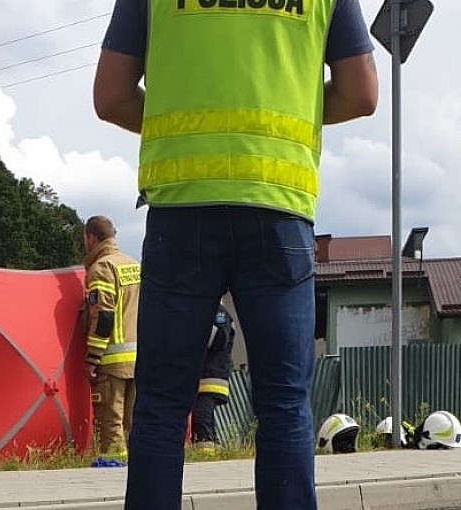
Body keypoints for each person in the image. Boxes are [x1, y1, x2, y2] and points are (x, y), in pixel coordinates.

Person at [93, 0, 378, 508]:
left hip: (181, 209)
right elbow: (361, 93)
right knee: (285, 404)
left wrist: (180, 128)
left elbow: (111, 97)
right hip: (278, 205)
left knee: (160, 406)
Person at [82, 216, 140, 459]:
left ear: (92, 238)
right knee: (133, 425)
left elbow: (104, 317)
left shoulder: (102, 269)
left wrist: (92, 358)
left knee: (111, 427)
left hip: (112, 361)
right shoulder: (134, 265)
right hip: (139, 360)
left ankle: (113, 475)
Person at [191, 303, 235, 449]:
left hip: (211, 376)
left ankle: (205, 451)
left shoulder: (219, 312)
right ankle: (212, 448)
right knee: (205, 418)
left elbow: (219, 337)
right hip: (205, 376)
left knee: (202, 417)